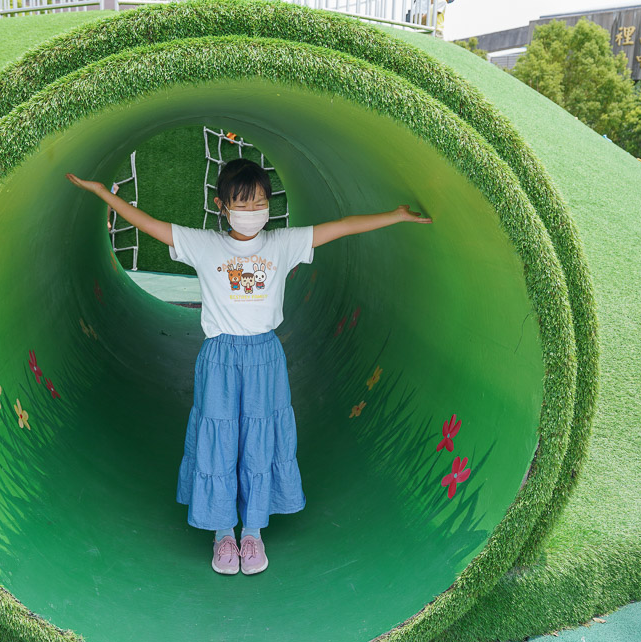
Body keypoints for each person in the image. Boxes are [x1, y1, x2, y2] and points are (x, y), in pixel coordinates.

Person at [66, 158, 431, 576]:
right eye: (243, 202)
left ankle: (253, 531)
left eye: (260, 202)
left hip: (265, 358)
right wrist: (101, 193)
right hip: (219, 356)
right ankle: (223, 533)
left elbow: (342, 226)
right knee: (219, 438)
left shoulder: (282, 243)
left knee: (260, 438)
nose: (253, 211)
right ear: (222, 205)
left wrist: (396, 216)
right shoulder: (204, 245)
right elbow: (147, 223)